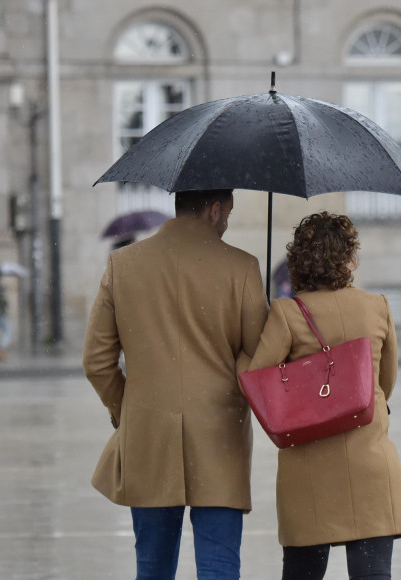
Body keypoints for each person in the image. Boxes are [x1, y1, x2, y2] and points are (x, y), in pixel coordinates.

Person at [82, 189, 269, 580]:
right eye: (228, 214)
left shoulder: (123, 264)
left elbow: (97, 363)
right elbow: (260, 359)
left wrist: (128, 409)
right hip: (220, 436)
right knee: (219, 566)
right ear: (215, 209)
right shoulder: (242, 267)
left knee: (152, 567)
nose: (227, 224)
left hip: (150, 435)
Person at [248, 212, 401, 580]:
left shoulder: (287, 312)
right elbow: (385, 383)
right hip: (370, 461)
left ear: (299, 260)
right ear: (348, 259)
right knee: (372, 575)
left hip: (309, 468)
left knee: (302, 574)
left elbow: (257, 381)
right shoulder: (378, 306)